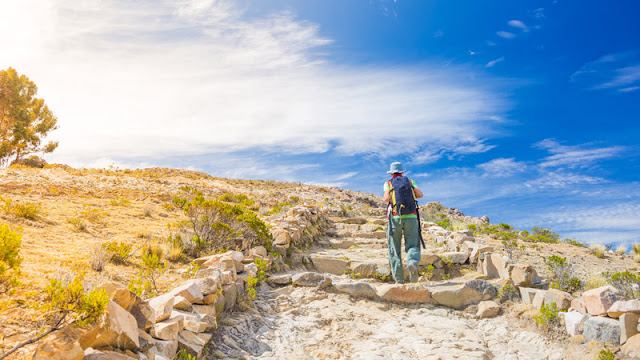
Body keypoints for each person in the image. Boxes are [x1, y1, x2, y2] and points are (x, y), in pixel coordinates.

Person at [384, 162, 424, 283]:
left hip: (395, 218)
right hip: (412, 217)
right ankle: (412, 262)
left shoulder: (388, 183)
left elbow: (386, 199)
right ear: (402, 172)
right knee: (413, 244)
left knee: (394, 249)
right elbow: (420, 195)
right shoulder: (410, 182)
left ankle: (399, 279)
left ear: (391, 173)